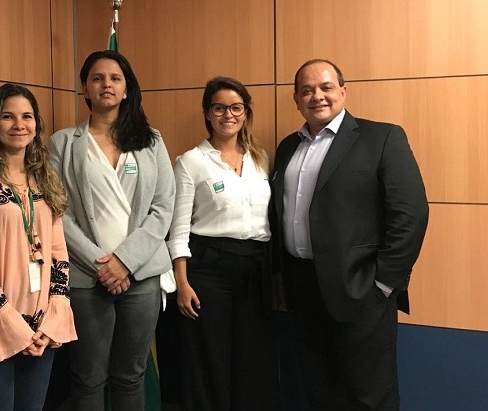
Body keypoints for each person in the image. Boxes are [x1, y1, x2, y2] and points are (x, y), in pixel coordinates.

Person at [269, 59, 429, 410]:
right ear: (296, 99)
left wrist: (384, 284)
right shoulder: (287, 147)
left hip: (361, 291)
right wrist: (281, 277)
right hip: (303, 291)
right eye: (307, 90)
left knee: (369, 396)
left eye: (326, 87)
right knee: (319, 391)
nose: (317, 96)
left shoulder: (381, 138)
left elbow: (410, 215)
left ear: (343, 91)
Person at [48, 50, 175, 410]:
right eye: (97, 78)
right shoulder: (63, 143)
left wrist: (125, 262)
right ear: (85, 89)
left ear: (126, 89)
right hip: (88, 276)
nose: (106, 84)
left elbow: (163, 207)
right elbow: (57, 211)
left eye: (115, 78)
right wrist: (102, 265)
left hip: (142, 275)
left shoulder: (150, 140)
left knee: (130, 375)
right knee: (88, 378)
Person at [0, 83, 77, 411]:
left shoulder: (45, 180)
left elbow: (58, 254)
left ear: (36, 124)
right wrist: (14, 329)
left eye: (27, 116)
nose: (19, 124)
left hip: (41, 327)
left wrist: (52, 319)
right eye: (8, 116)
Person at [167, 77, 280, 411]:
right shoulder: (191, 161)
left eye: (235, 108)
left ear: (245, 113)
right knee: (210, 360)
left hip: (255, 269)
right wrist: (182, 283)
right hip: (209, 270)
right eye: (219, 108)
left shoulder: (260, 159)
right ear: (207, 113)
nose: (228, 115)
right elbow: (179, 230)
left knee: (253, 360)